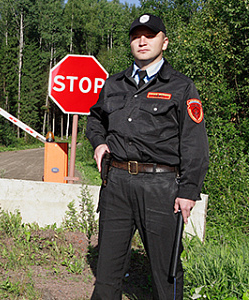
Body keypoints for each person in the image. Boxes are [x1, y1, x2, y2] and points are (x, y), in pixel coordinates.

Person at [86, 13, 209, 299]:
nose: (142, 41)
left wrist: (188, 191)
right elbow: (95, 119)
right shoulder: (114, 84)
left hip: (161, 188)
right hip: (115, 185)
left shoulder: (181, 87)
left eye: (150, 35)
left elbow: (195, 144)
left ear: (164, 42)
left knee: (166, 273)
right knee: (106, 273)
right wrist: (98, 143)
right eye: (136, 36)